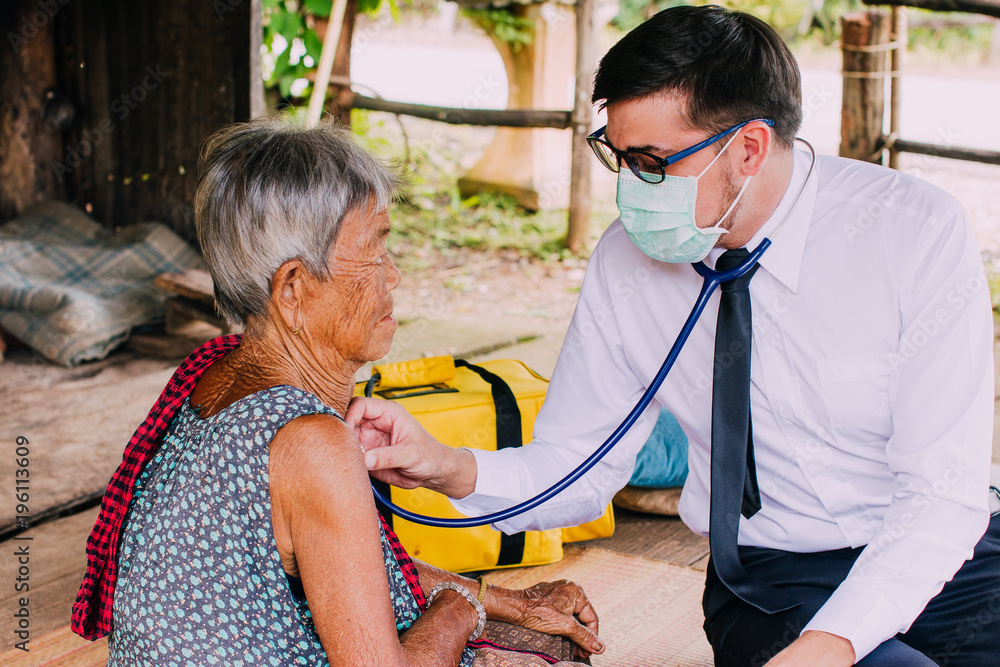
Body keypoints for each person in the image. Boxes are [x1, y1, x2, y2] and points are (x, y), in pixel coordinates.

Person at [348, 6, 1000, 666]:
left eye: (652, 162)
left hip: (947, 547)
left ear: (747, 149)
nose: (631, 188)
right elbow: (576, 466)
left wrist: (834, 642)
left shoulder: (913, 233)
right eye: (619, 157)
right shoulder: (627, 263)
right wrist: (446, 464)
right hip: (773, 576)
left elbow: (942, 494)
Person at [74, 118, 604, 666]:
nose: (392, 275)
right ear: (294, 289)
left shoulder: (212, 375)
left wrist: (511, 603)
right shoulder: (312, 444)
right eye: (375, 252)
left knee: (543, 636)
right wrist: (457, 608)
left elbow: (343, 563)